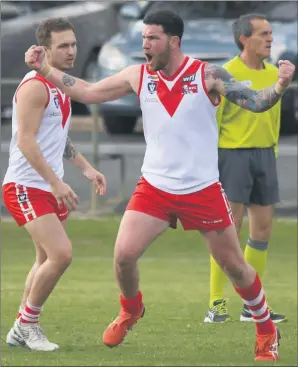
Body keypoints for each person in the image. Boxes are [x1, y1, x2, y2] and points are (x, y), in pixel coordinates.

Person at [24, 10, 295, 361]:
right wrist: (44, 68)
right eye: (143, 38)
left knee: (235, 267)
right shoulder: (138, 75)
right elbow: (89, 92)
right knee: (123, 257)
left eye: (151, 39)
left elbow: (256, 102)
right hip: (154, 188)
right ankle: (131, 310)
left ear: (173, 41)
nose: (144, 46)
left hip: (201, 189)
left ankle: (265, 329)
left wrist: (280, 85)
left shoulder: (207, 74)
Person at [3, 17, 107, 351]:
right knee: (61, 255)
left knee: (44, 259)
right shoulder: (35, 85)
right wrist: (55, 183)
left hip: (46, 186)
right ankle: (26, 324)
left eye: (73, 44)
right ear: (44, 50)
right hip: (26, 185)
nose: (71, 51)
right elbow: (27, 142)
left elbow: (58, 139)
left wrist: (87, 168)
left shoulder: (60, 85)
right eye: (63, 46)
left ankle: (22, 327)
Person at [204, 14, 288, 325]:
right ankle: (216, 304)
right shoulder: (226, 73)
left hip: (264, 156)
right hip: (232, 157)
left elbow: (273, 120)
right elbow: (213, 121)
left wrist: (273, 151)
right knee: (228, 233)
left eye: (271, 34)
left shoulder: (274, 74)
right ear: (244, 39)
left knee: (262, 231)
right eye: (263, 34)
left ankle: (251, 306)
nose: (270, 39)